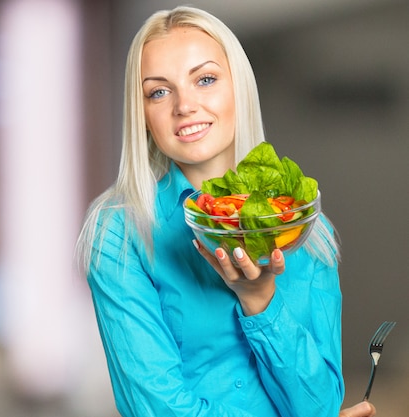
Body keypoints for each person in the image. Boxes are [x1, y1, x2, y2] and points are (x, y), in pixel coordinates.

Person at [76, 5, 376, 417]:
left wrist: (260, 300)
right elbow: (158, 410)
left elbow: (320, 405)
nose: (184, 106)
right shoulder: (119, 233)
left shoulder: (307, 229)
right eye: (158, 91)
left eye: (205, 79)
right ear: (142, 114)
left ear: (240, 88)